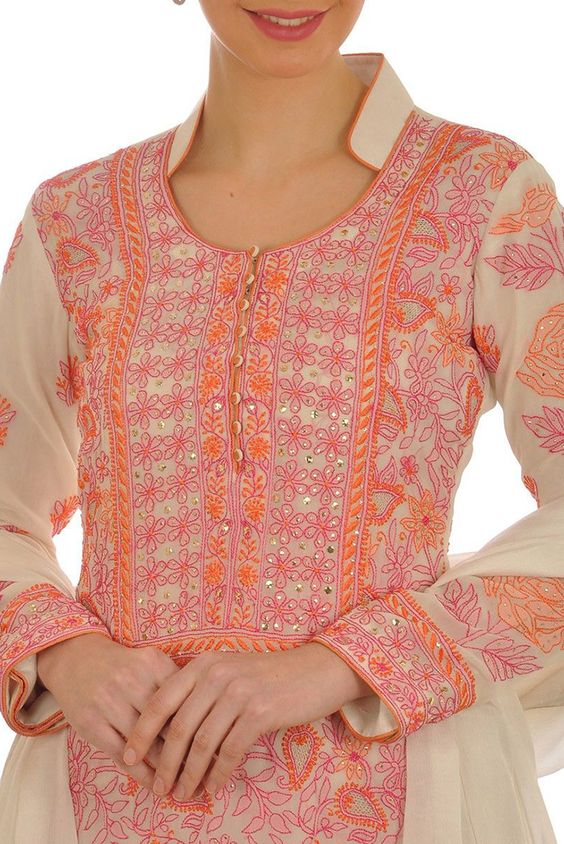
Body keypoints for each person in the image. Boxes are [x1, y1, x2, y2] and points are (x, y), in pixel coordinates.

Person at [0, 1, 562, 842]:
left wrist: (343, 665)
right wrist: (63, 653)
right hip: (105, 792)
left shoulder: (480, 195)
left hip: (406, 796)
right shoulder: (77, 222)